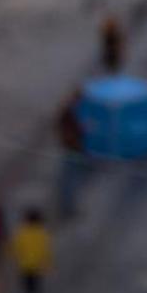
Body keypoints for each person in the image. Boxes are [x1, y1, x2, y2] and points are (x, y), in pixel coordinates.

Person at [55, 91, 87, 220]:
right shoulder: (69, 113)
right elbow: (70, 131)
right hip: (72, 149)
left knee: (71, 177)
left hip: (73, 148)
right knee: (70, 179)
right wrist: (82, 130)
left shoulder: (69, 112)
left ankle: (68, 205)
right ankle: (68, 207)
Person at [11, 207, 51, 293]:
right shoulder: (42, 234)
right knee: (37, 282)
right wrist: (47, 263)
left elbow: (16, 247)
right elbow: (45, 250)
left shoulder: (22, 233)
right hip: (38, 264)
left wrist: (14, 257)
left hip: (25, 264)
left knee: (27, 284)